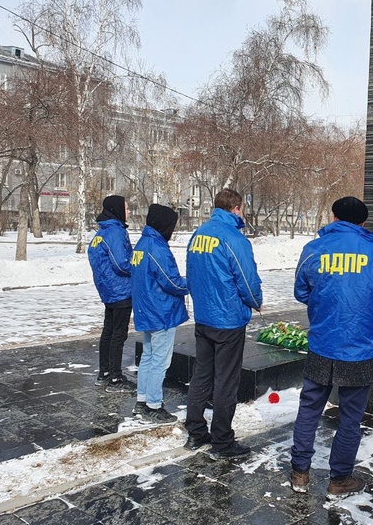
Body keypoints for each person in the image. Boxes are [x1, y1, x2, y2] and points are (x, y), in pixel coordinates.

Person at [290, 196, 373, 497]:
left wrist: (322, 303)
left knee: (309, 410)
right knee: (350, 416)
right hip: (359, 348)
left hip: (322, 344)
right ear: (363, 223)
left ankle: (300, 474)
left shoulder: (314, 249)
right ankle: (339, 479)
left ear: (334, 218)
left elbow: (301, 290)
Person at [184, 189, 263, 456]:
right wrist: (256, 301)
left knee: (202, 375)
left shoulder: (199, 234)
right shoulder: (234, 239)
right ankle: (222, 440)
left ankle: (195, 432)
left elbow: (191, 274)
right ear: (237, 208)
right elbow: (247, 280)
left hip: (204, 316)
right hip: (227, 319)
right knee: (226, 381)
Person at [131, 204, 189, 423]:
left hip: (146, 310)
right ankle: (154, 405)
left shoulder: (143, 243)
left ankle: (142, 400)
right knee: (160, 361)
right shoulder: (157, 248)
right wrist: (191, 284)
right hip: (161, 311)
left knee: (148, 356)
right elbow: (171, 281)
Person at [88, 195, 135, 393]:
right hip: (120, 290)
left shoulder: (102, 232)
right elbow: (121, 263)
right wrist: (137, 267)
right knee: (118, 334)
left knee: (108, 331)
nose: (129, 211)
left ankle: (104, 373)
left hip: (108, 290)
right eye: (126, 207)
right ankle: (115, 377)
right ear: (117, 209)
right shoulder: (115, 232)